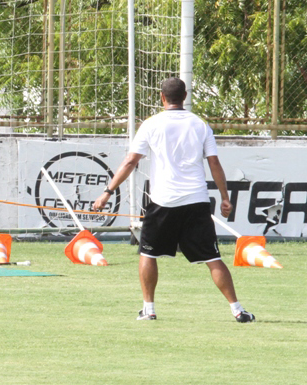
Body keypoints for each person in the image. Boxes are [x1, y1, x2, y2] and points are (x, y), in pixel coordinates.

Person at [93, 77, 254, 323]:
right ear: (185, 96)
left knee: (148, 254)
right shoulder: (200, 124)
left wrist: (107, 192)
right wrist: (225, 197)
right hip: (196, 201)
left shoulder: (151, 124)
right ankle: (238, 310)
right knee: (213, 259)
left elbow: (130, 161)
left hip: (163, 202)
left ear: (162, 97)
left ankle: (149, 309)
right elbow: (214, 163)